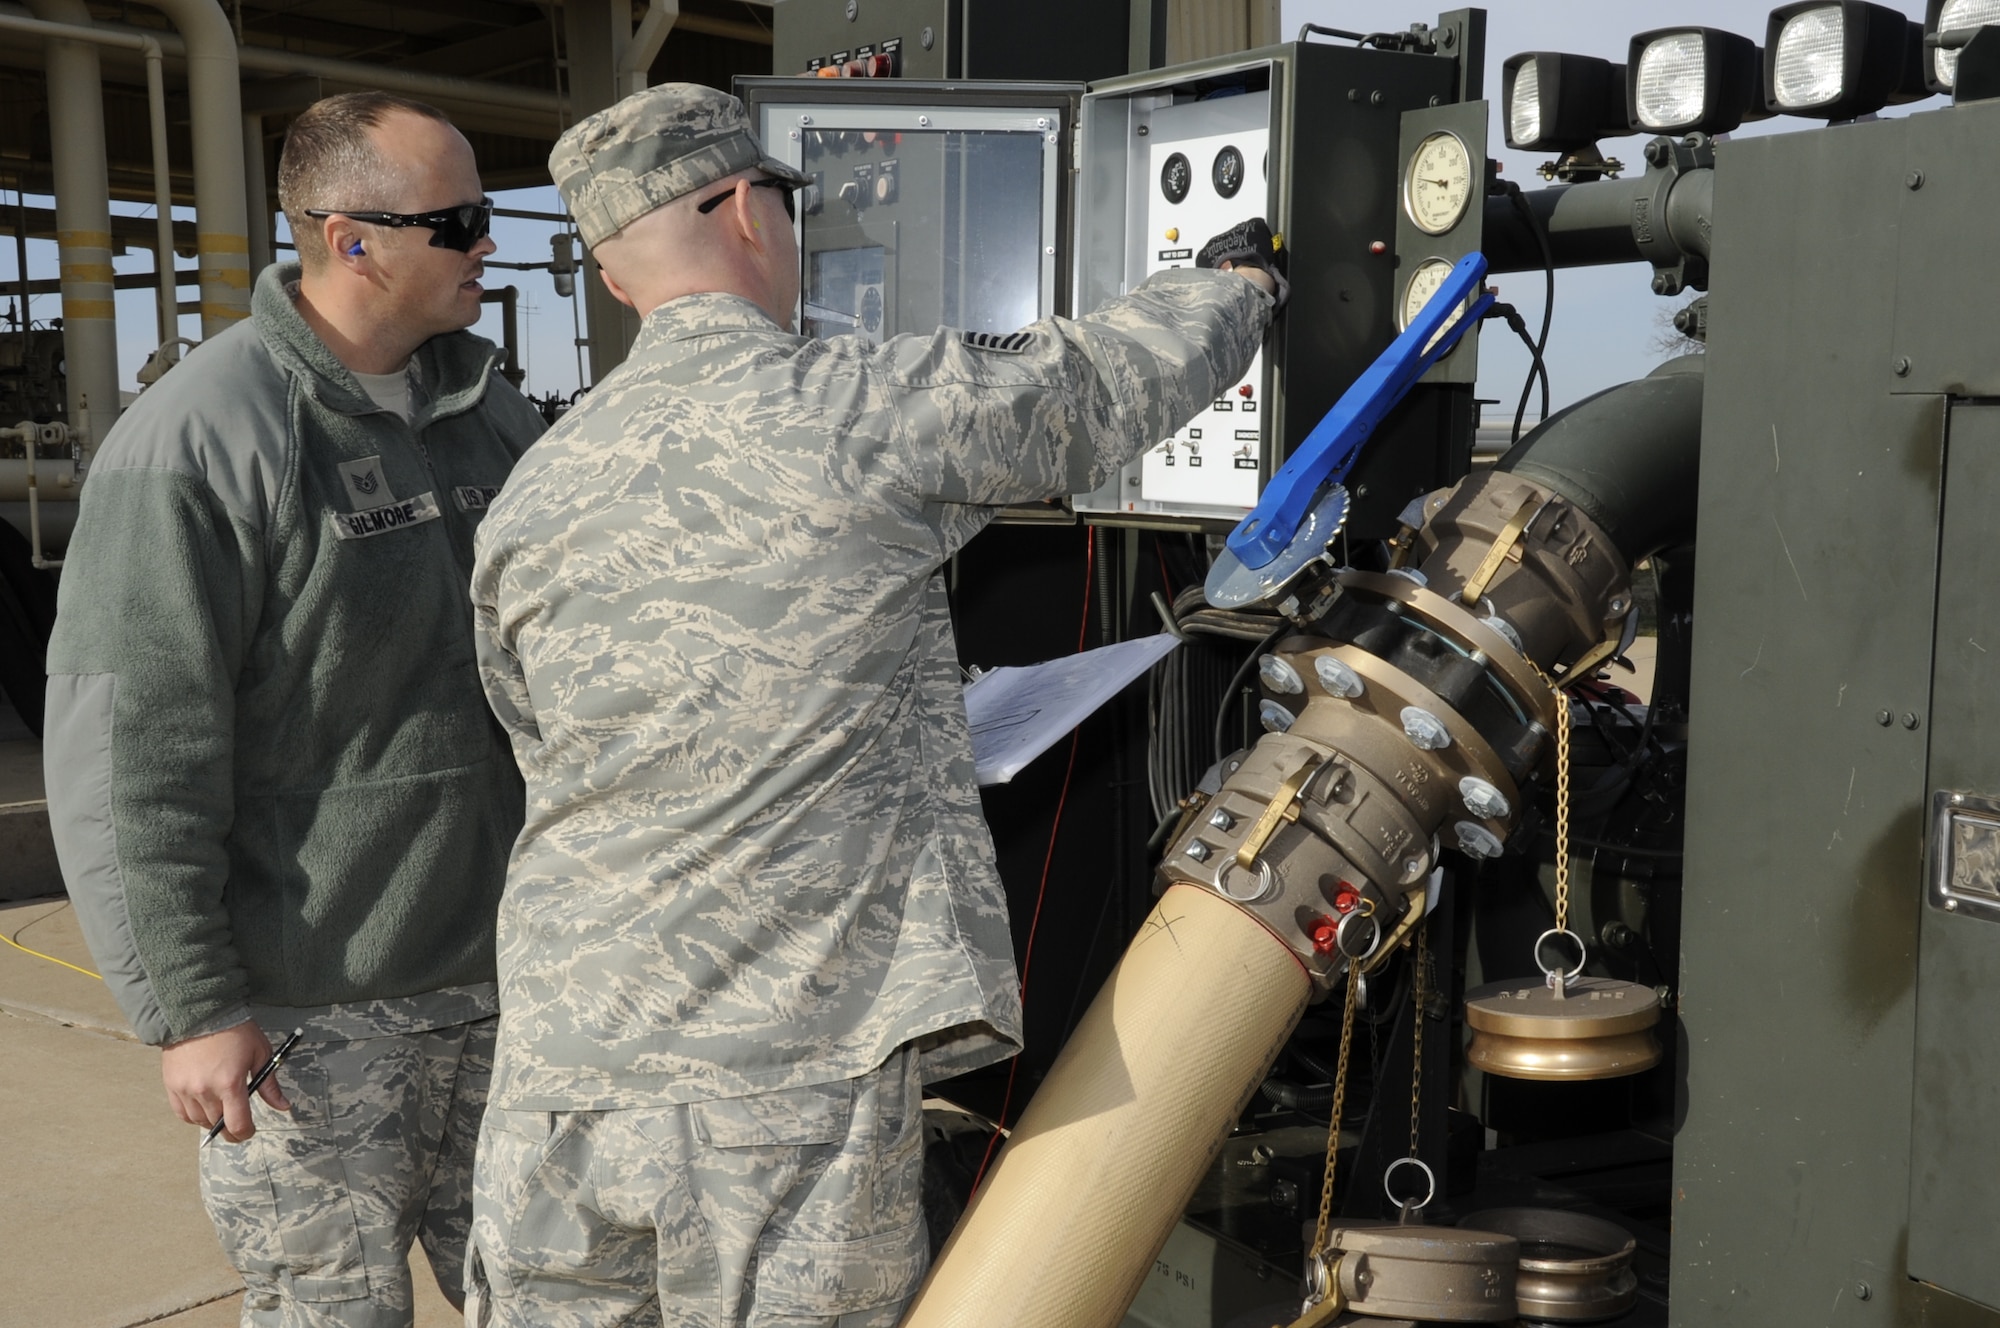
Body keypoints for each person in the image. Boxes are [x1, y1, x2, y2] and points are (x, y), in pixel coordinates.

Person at [464, 83, 1281, 1327]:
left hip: (560, 1078)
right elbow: (1089, 392)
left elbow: (535, 738)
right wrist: (1238, 283)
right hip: (783, 1083)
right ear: (745, 210)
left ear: (619, 281)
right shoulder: (846, 405)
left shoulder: (531, 491)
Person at [44, 91, 545, 1326]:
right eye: (463, 218)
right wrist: (190, 1010)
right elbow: (131, 749)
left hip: (517, 986)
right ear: (351, 236)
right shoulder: (205, 437)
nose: (491, 240)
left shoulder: (493, 418)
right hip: (314, 1027)